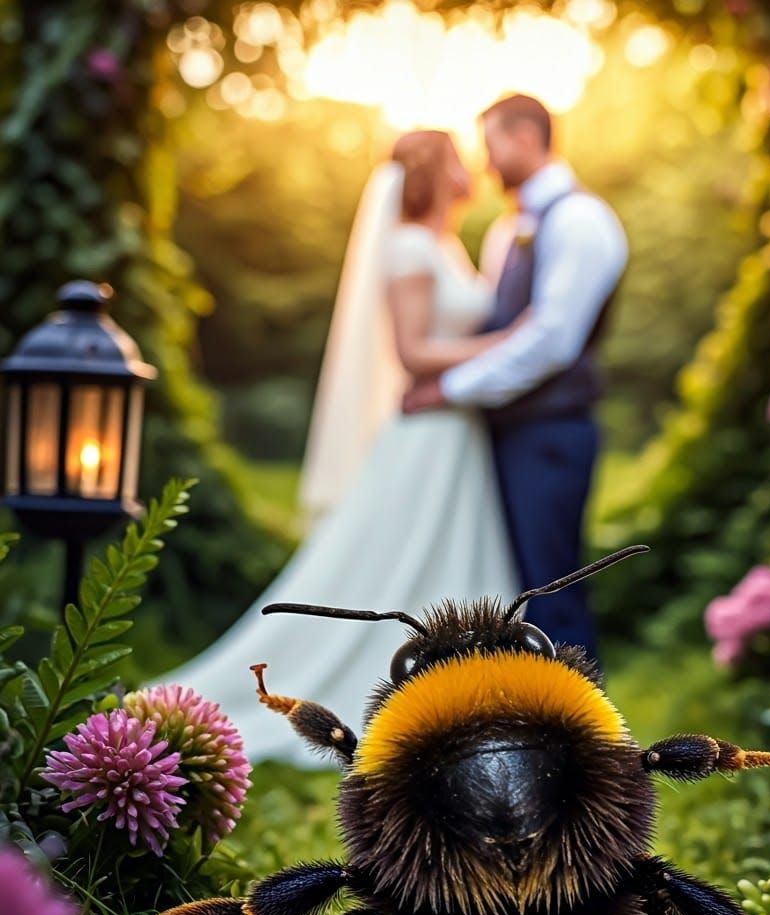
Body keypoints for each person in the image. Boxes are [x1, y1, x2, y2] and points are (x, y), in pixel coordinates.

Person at [153, 130, 519, 764]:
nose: (470, 169)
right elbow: (412, 352)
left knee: (449, 557)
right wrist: (511, 341)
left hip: (458, 432)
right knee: (403, 563)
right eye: (457, 158)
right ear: (434, 172)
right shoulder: (408, 247)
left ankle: (467, 682)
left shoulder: (444, 244)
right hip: (426, 434)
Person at [404, 94, 629, 661]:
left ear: (526, 138)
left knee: (553, 589)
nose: (486, 163)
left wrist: (448, 389)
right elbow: (499, 327)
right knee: (518, 589)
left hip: (551, 434)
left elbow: (552, 341)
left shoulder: (580, 220)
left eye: (492, 145)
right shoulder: (511, 229)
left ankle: (583, 736)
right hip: (506, 434)